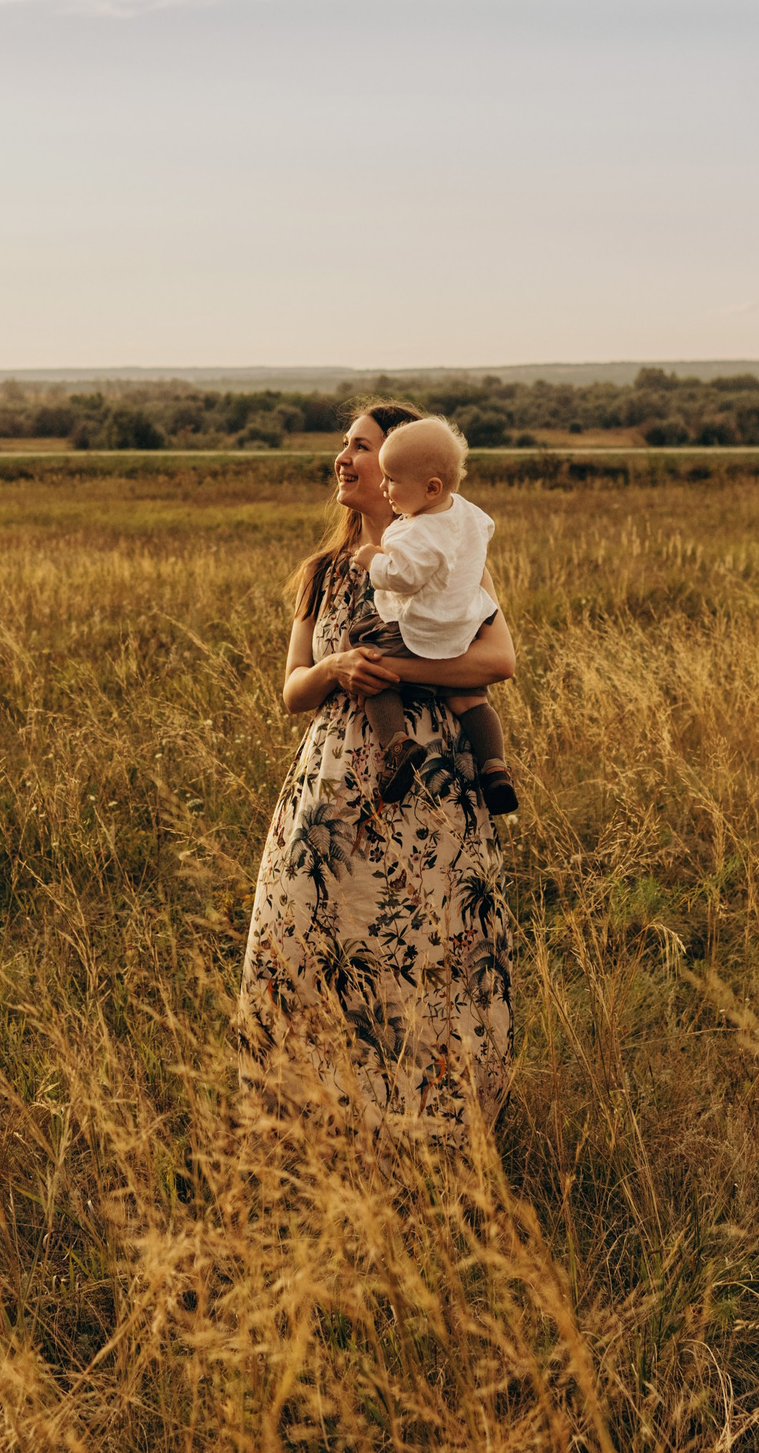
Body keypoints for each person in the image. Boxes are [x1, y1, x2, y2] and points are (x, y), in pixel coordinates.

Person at [239, 403, 518, 1137]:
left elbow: (498, 660)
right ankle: (312, 1123)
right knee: (314, 946)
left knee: (423, 952)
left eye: (360, 447)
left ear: (408, 475)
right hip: (330, 795)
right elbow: (292, 690)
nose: (343, 458)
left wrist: (393, 667)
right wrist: (337, 667)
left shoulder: (449, 559)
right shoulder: (323, 573)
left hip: (430, 791)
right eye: (345, 444)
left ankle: (430, 1127)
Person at [347, 416, 517, 814]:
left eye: (391, 479)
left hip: (417, 630)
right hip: (460, 628)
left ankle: (397, 745)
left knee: (370, 663)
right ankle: (495, 767)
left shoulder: (416, 531)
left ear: (431, 488)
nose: (385, 487)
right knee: (471, 698)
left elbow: (403, 577)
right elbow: (483, 532)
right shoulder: (468, 514)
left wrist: (374, 559)